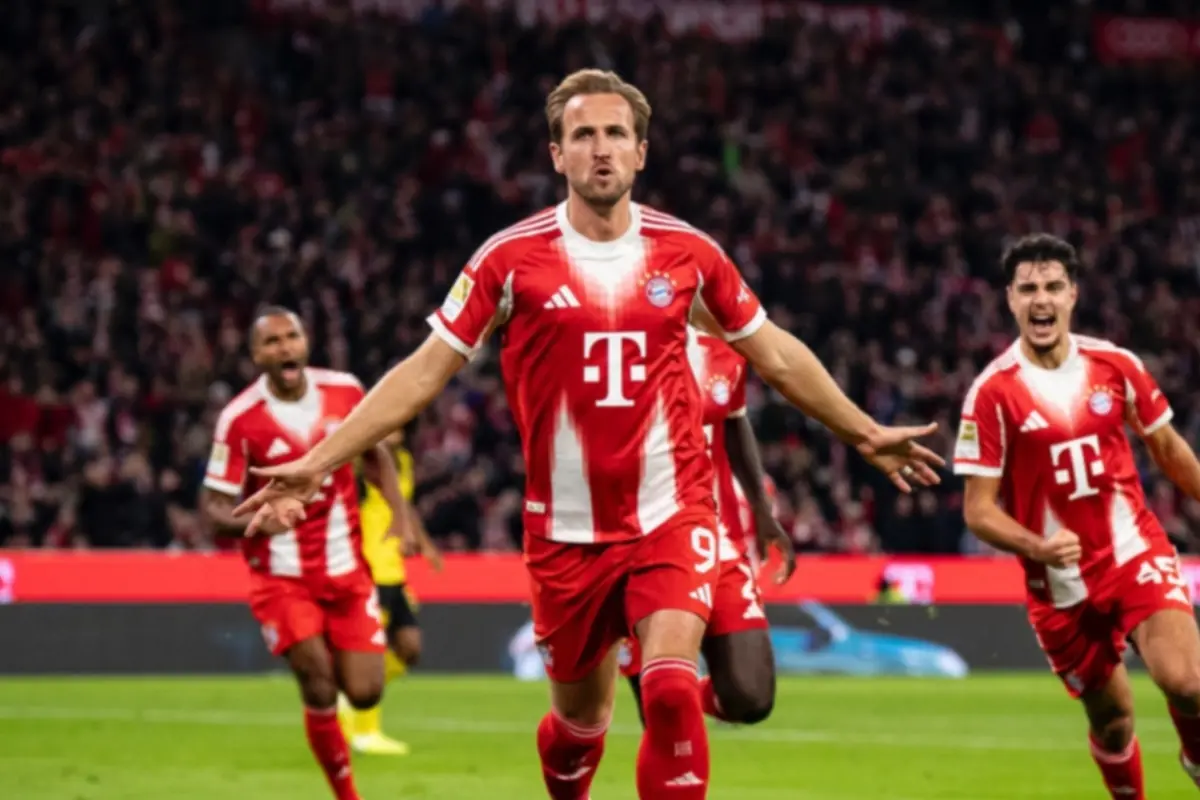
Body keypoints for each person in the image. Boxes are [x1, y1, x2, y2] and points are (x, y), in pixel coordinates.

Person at [233, 69, 943, 799]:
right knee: (578, 728)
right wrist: (318, 462)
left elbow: (775, 352)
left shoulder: (690, 253)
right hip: (565, 538)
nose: (600, 149)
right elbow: (422, 374)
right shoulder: (508, 260)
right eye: (583, 135)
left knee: (670, 691)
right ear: (556, 154)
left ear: (641, 153)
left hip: (673, 515)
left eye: (615, 135)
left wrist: (861, 431)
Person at [954, 233, 1200, 799]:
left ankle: (1196, 757)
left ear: (1073, 295)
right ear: (1010, 300)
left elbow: (1166, 448)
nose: (1042, 300)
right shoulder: (992, 393)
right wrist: (1037, 548)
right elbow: (979, 511)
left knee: (1185, 680)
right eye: (1029, 289)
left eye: (1053, 287)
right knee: (1112, 720)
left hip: (1132, 551)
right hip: (1060, 585)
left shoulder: (1115, 365)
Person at [200, 307, 408, 800]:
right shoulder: (239, 420)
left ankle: (331, 668)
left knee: (365, 691)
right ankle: (347, 795)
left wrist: (400, 513)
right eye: (272, 342)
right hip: (281, 577)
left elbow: (375, 452)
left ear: (306, 342)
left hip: (347, 569)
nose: (284, 347)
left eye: (291, 337)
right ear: (256, 355)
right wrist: (256, 524)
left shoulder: (345, 391)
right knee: (318, 683)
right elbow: (212, 508)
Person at [621, 324, 794, 727]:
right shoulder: (618, 352)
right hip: (639, 540)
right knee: (662, 719)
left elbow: (734, 422)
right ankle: (657, 686)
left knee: (751, 697)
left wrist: (763, 513)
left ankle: (666, 687)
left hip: (718, 539)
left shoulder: (721, 351)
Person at [339, 427, 444, 755]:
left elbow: (404, 504)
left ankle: (349, 695)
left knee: (409, 648)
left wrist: (424, 542)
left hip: (394, 570)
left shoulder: (402, 460)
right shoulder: (360, 464)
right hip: (370, 566)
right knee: (371, 650)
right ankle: (365, 730)